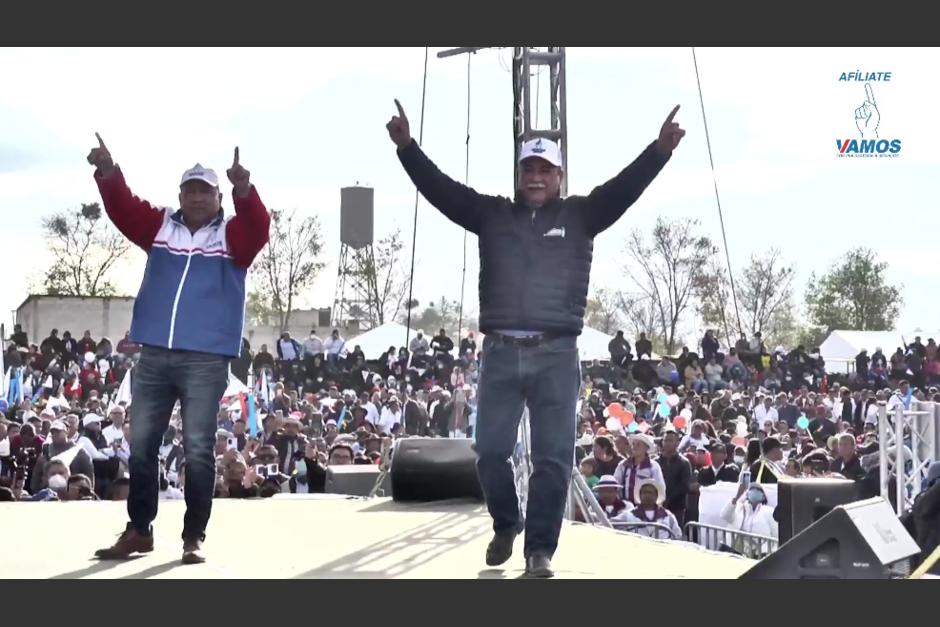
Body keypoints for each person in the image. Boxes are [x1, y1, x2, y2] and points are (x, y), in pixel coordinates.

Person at [389, 97, 684, 577]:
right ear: (519, 174)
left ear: (560, 177)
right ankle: (507, 522)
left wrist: (659, 152)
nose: (536, 177)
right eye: (529, 168)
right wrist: (408, 149)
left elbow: (625, 190)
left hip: (556, 356)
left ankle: (539, 550)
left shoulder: (583, 215)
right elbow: (442, 191)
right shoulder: (491, 215)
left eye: (546, 170)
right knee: (489, 453)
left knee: (552, 460)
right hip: (502, 354)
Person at [86, 135, 270, 564]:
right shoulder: (161, 226)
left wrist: (246, 190)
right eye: (190, 189)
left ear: (218, 196)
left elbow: (259, 230)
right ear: (180, 195)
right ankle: (138, 531)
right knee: (142, 446)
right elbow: (124, 208)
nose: (196, 196)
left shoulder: (233, 236)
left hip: (205, 360)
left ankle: (193, 537)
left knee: (200, 448)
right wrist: (109, 172)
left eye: (205, 190)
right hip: (154, 356)